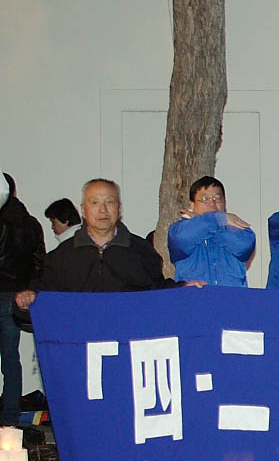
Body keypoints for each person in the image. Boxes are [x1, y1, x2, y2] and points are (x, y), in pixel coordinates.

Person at [15, 179, 195, 314]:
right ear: (83, 210)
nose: (102, 210)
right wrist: (28, 298)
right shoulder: (60, 257)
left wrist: (183, 289)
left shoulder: (141, 251)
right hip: (80, 345)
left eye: (109, 202)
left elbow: (155, 294)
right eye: (94, 203)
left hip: (127, 342)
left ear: (119, 208)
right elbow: (46, 296)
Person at [0, 174, 47, 426]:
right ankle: (10, 418)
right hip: (16, 299)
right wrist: (29, 290)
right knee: (11, 359)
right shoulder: (32, 224)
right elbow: (40, 263)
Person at [168, 176, 256, 287]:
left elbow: (244, 246)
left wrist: (210, 223)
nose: (212, 204)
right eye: (205, 199)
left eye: (217, 199)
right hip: (195, 296)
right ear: (192, 205)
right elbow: (183, 238)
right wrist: (218, 219)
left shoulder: (238, 227)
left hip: (233, 296)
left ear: (225, 203)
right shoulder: (179, 230)